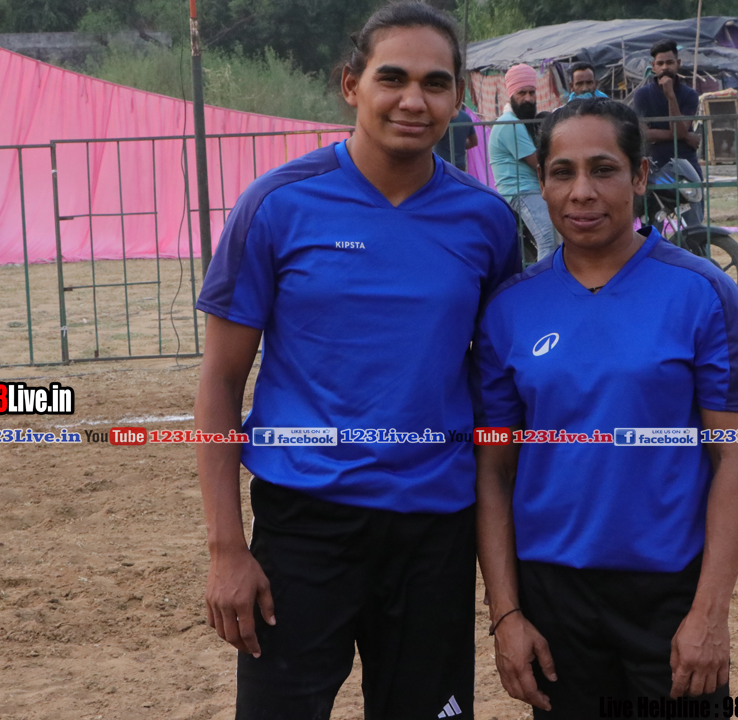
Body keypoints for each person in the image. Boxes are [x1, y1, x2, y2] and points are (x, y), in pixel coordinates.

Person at [193, 3, 520, 718]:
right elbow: (220, 381)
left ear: (457, 98)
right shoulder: (277, 205)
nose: (413, 100)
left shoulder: (487, 221)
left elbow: (499, 384)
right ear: (351, 84)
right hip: (305, 524)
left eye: (435, 83)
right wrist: (225, 548)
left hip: (435, 528)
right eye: (392, 78)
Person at [475, 98, 738, 717]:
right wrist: (506, 613)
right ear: (541, 181)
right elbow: (494, 472)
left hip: (669, 597)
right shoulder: (509, 309)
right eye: (563, 172)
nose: (582, 191)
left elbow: (736, 460)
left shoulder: (704, 294)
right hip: (553, 599)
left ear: (639, 176)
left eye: (603, 169)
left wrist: (710, 613)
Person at [489, 63, 558, 260]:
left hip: (531, 188)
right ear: (511, 94)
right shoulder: (509, 124)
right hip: (521, 191)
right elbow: (537, 163)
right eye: (522, 93)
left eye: (531, 92)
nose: (528, 98)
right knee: (547, 237)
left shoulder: (519, 122)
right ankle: (544, 278)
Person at [631, 40, 702, 179]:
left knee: (694, 190)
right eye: (660, 63)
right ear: (653, 66)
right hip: (654, 162)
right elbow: (643, 134)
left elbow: (679, 131)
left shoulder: (690, 95)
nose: (665, 67)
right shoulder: (642, 95)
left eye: (669, 62)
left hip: (686, 161)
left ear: (678, 63)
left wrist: (671, 96)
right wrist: (685, 136)